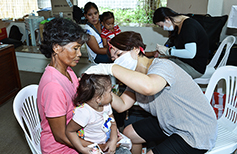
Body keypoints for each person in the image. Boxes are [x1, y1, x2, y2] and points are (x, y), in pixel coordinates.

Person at [84, 31, 218, 154]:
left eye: (119, 55)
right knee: (129, 133)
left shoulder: (162, 66)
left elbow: (149, 87)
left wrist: (110, 68)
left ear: (136, 49)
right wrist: (102, 89)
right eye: (113, 59)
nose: (117, 61)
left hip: (195, 130)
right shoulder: (137, 77)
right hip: (171, 123)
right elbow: (122, 105)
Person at [37, 17, 90, 154]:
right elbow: (60, 136)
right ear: (56, 47)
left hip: (74, 132)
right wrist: (96, 144)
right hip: (60, 147)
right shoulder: (53, 86)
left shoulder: (68, 70)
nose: (79, 54)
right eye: (75, 48)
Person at [66, 74, 131, 154]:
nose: (112, 94)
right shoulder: (84, 112)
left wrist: (113, 140)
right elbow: (69, 131)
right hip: (93, 149)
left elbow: (112, 122)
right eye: (110, 91)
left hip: (107, 142)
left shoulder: (106, 105)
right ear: (99, 99)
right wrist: (82, 149)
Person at [152, 7, 209, 79]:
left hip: (194, 67)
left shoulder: (189, 26)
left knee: (161, 72)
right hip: (183, 61)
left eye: (161, 26)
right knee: (158, 63)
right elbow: (181, 46)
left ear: (167, 19)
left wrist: (168, 51)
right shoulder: (179, 26)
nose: (163, 28)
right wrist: (164, 51)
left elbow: (190, 53)